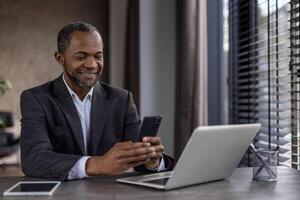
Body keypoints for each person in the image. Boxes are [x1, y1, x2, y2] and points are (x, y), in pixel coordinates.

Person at [20, 22, 174, 181]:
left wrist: (151, 161)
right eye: (81, 56)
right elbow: (33, 159)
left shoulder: (122, 99)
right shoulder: (36, 98)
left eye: (98, 56)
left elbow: (136, 159)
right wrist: (96, 164)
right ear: (60, 58)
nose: (92, 64)